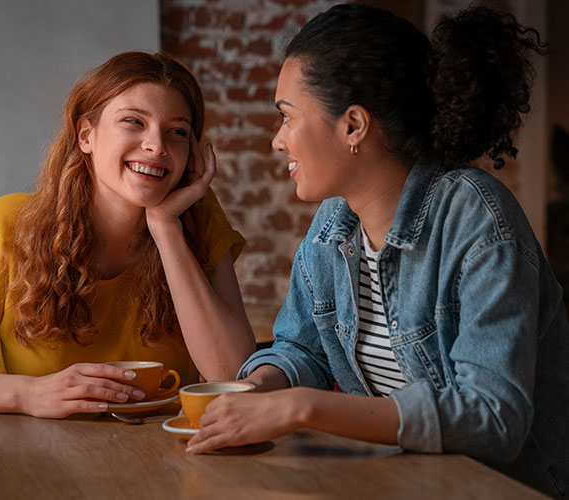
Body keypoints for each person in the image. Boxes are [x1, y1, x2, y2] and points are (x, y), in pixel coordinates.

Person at [185, 4, 569, 498]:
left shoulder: (476, 217)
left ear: (353, 126)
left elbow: (494, 417)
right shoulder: (334, 222)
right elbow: (302, 349)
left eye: (287, 117)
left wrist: (302, 408)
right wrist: (258, 392)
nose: (278, 140)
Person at [0, 52, 255, 419]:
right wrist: (28, 395)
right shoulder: (9, 226)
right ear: (86, 135)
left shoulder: (196, 221)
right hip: (29, 466)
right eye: (134, 122)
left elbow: (234, 375)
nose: (156, 146)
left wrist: (166, 228)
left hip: (158, 464)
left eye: (177, 132)